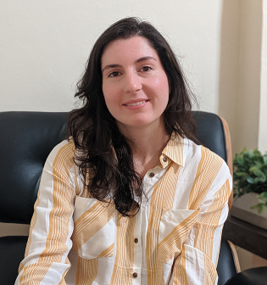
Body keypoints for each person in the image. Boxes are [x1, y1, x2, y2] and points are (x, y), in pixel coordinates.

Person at [15, 17, 232, 285]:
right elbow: (43, 263)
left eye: (145, 68)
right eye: (114, 73)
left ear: (169, 78)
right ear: (101, 90)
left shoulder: (209, 173)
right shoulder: (68, 160)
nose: (131, 85)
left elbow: (194, 279)